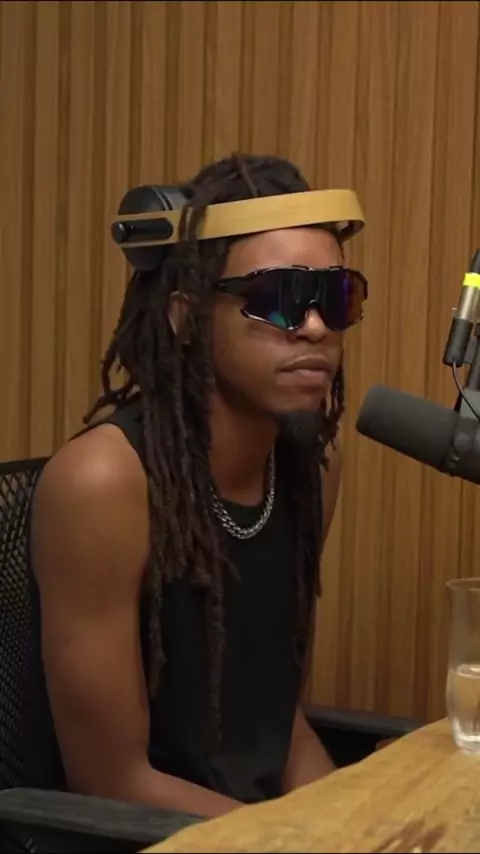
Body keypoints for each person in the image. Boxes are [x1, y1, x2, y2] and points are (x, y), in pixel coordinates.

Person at [30, 154, 367, 818]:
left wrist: (355, 826)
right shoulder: (103, 484)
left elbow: (276, 723)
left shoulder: (313, 469)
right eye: (278, 298)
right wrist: (300, 842)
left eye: (336, 298)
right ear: (186, 318)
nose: (316, 327)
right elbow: (111, 782)